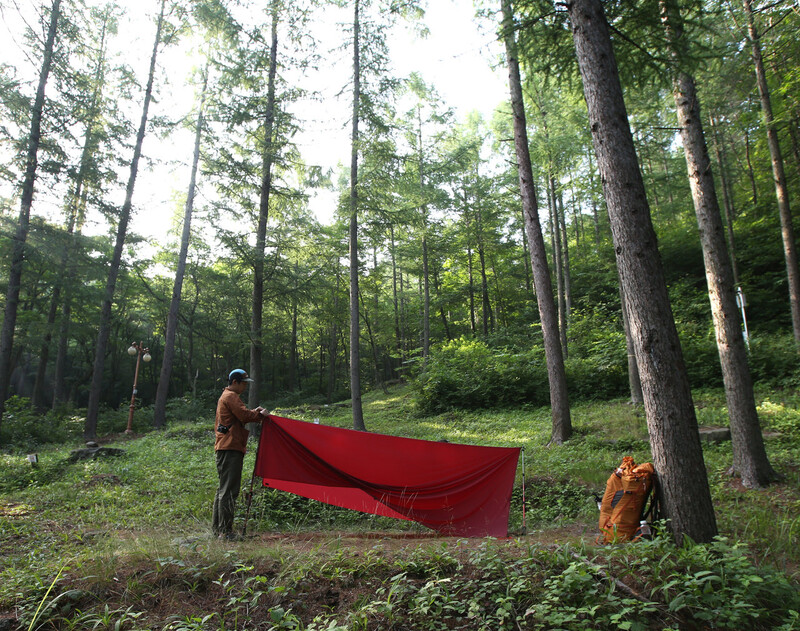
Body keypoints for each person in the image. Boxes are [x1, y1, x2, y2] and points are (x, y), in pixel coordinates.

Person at [212, 368, 269, 539]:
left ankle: (219, 530)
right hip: (230, 448)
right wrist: (260, 415)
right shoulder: (231, 396)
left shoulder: (228, 396)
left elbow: (241, 414)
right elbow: (244, 415)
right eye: (243, 383)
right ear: (235, 382)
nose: (245, 386)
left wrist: (254, 412)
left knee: (223, 490)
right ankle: (226, 532)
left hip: (227, 447)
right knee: (229, 490)